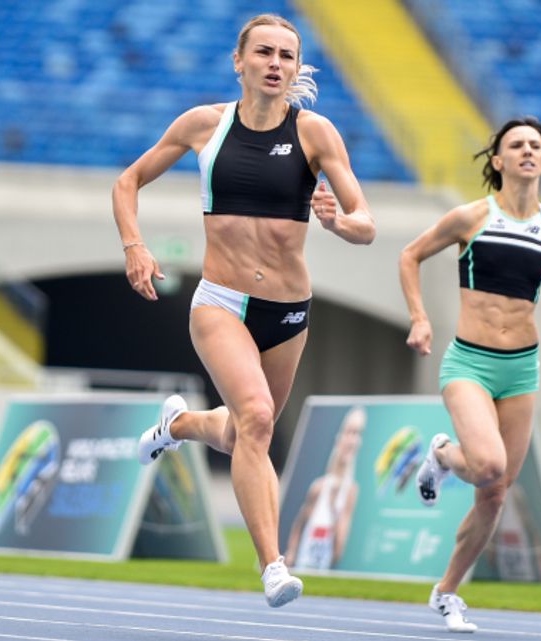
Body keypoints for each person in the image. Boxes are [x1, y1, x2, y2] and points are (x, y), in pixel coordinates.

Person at [112, 14, 375, 608]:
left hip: (287, 312)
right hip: (221, 302)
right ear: (240, 61)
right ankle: (273, 566)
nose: (276, 63)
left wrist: (338, 222)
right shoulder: (204, 126)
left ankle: (178, 426)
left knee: (241, 432)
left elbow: (367, 225)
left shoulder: (316, 134)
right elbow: (127, 183)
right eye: (264, 52)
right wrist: (135, 245)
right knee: (256, 419)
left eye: (287, 54)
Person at [399, 116, 541, 632]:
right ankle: (444, 454)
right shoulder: (471, 218)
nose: (528, 151)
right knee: (487, 465)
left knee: (495, 492)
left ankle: (447, 592)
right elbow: (410, 255)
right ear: (498, 160)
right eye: (517, 145)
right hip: (469, 361)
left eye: (536, 145)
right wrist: (421, 318)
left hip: (521, 371)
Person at [284, 405, 364, 571]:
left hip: (323, 566)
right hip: (302, 563)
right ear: (339, 437)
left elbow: (338, 550)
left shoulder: (351, 492)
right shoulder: (319, 487)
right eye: (349, 433)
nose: (351, 440)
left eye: (357, 434)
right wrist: (291, 551)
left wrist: (335, 518)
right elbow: (299, 523)